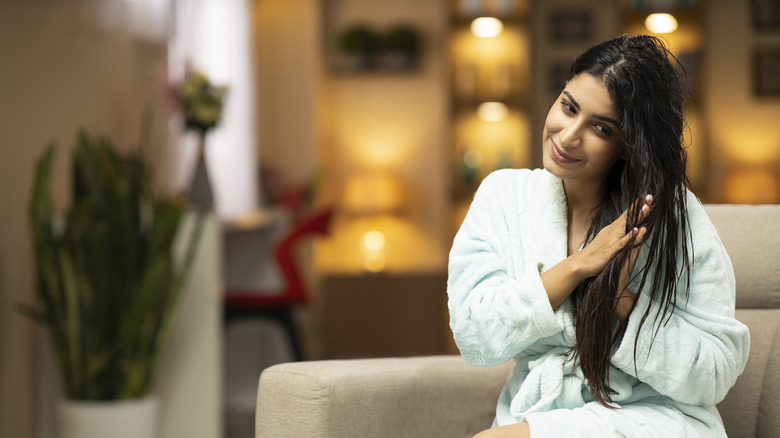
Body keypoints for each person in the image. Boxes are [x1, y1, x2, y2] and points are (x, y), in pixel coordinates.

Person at [447, 34, 750, 438]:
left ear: (627, 145)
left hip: (649, 418)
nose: (569, 135)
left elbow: (715, 371)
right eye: (568, 107)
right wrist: (577, 267)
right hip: (539, 414)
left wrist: (621, 301)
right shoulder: (503, 196)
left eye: (601, 128)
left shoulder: (670, 214)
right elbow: (475, 337)